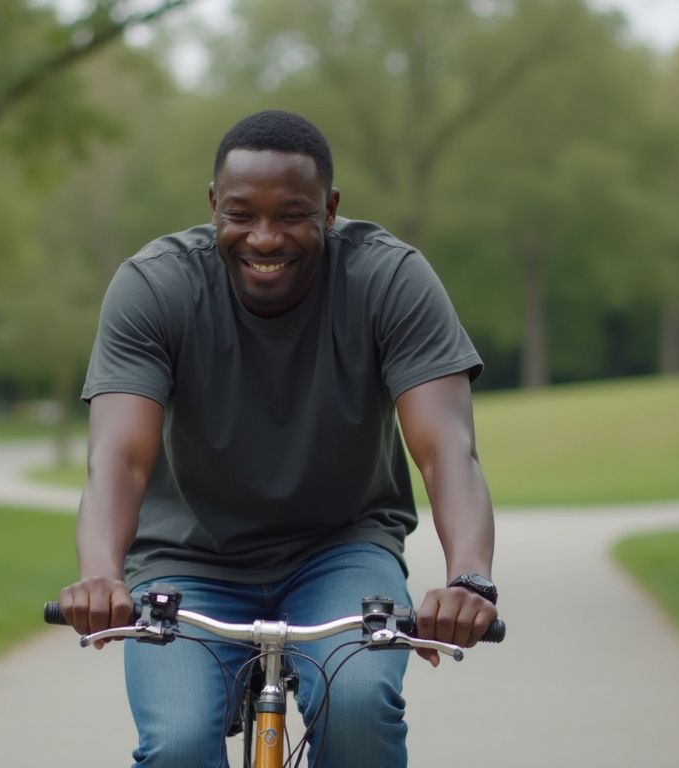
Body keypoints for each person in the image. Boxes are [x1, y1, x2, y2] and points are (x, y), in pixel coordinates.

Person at [56, 109, 497, 767]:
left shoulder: (388, 280)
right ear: (213, 206)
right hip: (186, 560)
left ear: (329, 209)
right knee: (174, 743)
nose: (264, 237)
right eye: (241, 214)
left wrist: (470, 578)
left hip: (341, 548)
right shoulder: (155, 287)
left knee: (359, 706)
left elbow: (445, 447)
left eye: (291, 214)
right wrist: (99, 575)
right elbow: (118, 459)